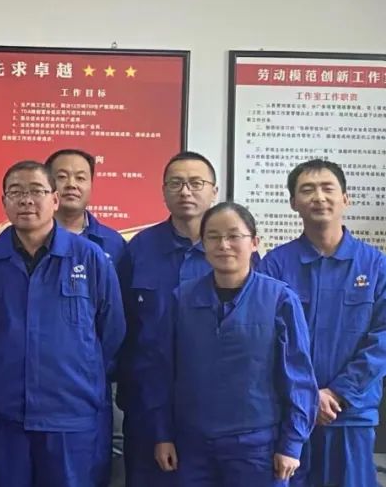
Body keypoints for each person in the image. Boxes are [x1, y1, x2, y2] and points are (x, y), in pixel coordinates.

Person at [0, 160, 125, 486]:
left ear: (54, 199)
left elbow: (112, 332)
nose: (26, 200)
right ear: (4, 201)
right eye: (16, 192)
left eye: (36, 191)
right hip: (3, 415)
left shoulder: (89, 257)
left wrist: (80, 376)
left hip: (71, 416)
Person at [151, 203, 317, 486]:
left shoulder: (279, 299)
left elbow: (298, 378)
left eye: (233, 236)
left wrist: (291, 444)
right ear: (203, 245)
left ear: (254, 242)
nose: (223, 245)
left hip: (257, 446)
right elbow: (162, 372)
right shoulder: (182, 298)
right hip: (192, 445)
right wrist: (162, 435)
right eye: (213, 237)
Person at [259, 160, 386, 487]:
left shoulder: (375, 266)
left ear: (345, 198)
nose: (319, 197)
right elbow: (262, 341)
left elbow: (382, 340)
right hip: (289, 420)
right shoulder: (275, 265)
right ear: (293, 202)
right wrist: (306, 396)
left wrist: (338, 392)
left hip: (350, 417)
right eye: (307, 190)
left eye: (328, 188)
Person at [120, 151, 218, 486]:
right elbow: (119, 323)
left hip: (213, 406)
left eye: (196, 183)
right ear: (163, 191)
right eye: (176, 183)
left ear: (214, 191)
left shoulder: (232, 248)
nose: (185, 191)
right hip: (146, 403)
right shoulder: (139, 248)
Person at [46, 148, 129, 486]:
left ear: (91, 184)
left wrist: (92, 364)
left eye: (80, 177)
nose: (71, 184)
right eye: (62, 176)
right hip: (39, 381)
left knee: (95, 465)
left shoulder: (113, 243)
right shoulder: (26, 238)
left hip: (95, 381)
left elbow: (117, 319)